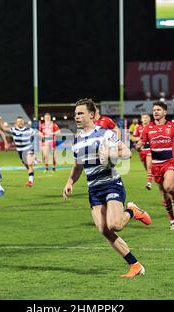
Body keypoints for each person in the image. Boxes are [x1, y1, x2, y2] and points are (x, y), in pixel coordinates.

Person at [63, 98, 152, 278]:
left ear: (92, 115)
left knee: (115, 225)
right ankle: (135, 265)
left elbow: (126, 152)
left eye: (80, 113)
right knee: (104, 229)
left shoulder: (105, 134)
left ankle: (133, 212)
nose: (77, 117)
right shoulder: (77, 141)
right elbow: (78, 166)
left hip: (111, 183)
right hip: (94, 190)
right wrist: (70, 182)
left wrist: (111, 153)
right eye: (75, 114)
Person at [137, 101, 174, 231]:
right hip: (156, 165)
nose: (155, 112)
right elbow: (142, 141)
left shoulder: (172, 126)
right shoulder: (148, 127)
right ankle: (172, 220)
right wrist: (139, 145)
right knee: (164, 196)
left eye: (158, 110)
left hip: (169, 162)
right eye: (154, 110)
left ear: (165, 112)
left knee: (169, 187)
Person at [0, 116, 37, 187]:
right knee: (28, 166)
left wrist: (43, 136)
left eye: (21, 121)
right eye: (18, 121)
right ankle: (34, 162)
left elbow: (37, 132)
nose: (20, 122)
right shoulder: (13, 130)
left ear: (23, 122)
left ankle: (30, 181)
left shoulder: (29, 129)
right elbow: (3, 128)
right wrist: (0, 121)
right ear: (16, 123)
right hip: (20, 151)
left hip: (28, 148)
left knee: (29, 164)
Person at [132, 114, 153, 190]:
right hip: (141, 151)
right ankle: (151, 175)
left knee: (149, 167)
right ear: (141, 119)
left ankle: (149, 183)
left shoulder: (153, 127)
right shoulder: (138, 128)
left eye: (146, 117)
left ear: (149, 119)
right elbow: (133, 138)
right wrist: (138, 139)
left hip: (150, 150)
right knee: (146, 168)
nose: (145, 119)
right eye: (143, 118)